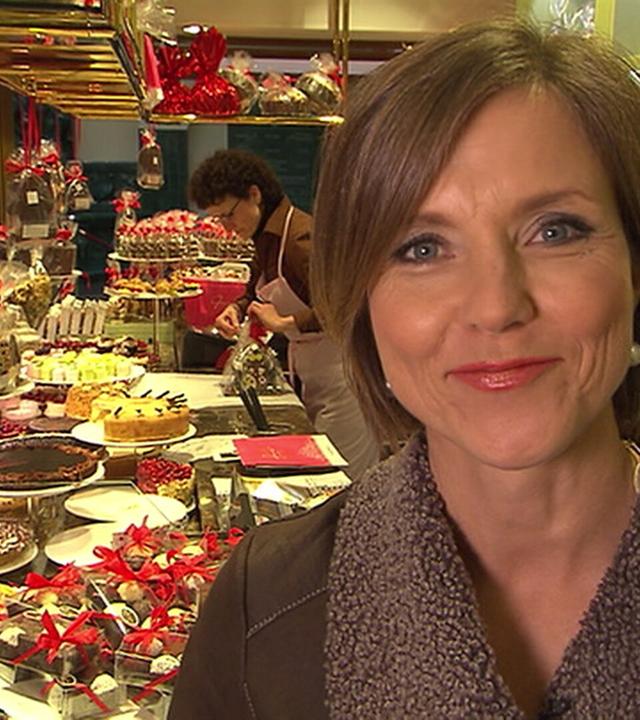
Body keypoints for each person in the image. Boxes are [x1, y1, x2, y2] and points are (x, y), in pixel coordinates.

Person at [170, 18, 640, 719]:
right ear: (364, 301)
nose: (496, 307)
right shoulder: (260, 608)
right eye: (421, 248)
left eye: (555, 231)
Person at [188, 149, 379, 480]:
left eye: (228, 215)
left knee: (342, 481)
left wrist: (286, 323)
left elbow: (350, 303)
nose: (227, 227)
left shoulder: (299, 237)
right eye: (218, 219)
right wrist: (236, 307)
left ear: (254, 194)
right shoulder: (265, 237)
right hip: (310, 370)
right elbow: (256, 288)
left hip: (343, 375)